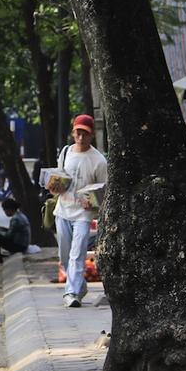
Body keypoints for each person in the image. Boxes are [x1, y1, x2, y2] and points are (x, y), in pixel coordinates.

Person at [47, 114, 107, 308]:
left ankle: (71, 293)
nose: (81, 138)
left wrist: (94, 203)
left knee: (77, 254)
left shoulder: (98, 161)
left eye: (85, 134)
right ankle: (79, 286)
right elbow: (58, 176)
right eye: (78, 133)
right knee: (64, 255)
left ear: (91, 136)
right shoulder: (66, 152)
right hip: (63, 210)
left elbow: (104, 189)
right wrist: (54, 186)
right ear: (73, 133)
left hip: (83, 215)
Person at [0, 198, 30, 264]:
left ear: (9, 209)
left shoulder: (15, 219)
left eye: (5, 210)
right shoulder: (20, 215)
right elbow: (13, 230)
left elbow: (9, 236)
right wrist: (1, 229)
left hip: (20, 246)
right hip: (23, 243)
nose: (5, 212)